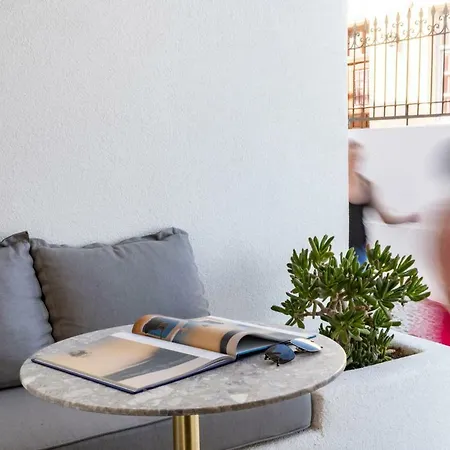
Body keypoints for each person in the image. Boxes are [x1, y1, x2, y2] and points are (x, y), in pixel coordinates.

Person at [348, 139, 419, 264]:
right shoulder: (336, 185)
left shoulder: (366, 185)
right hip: (339, 246)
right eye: (351, 157)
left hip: (359, 249)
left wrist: (408, 218)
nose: (354, 161)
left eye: (357, 158)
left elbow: (386, 217)